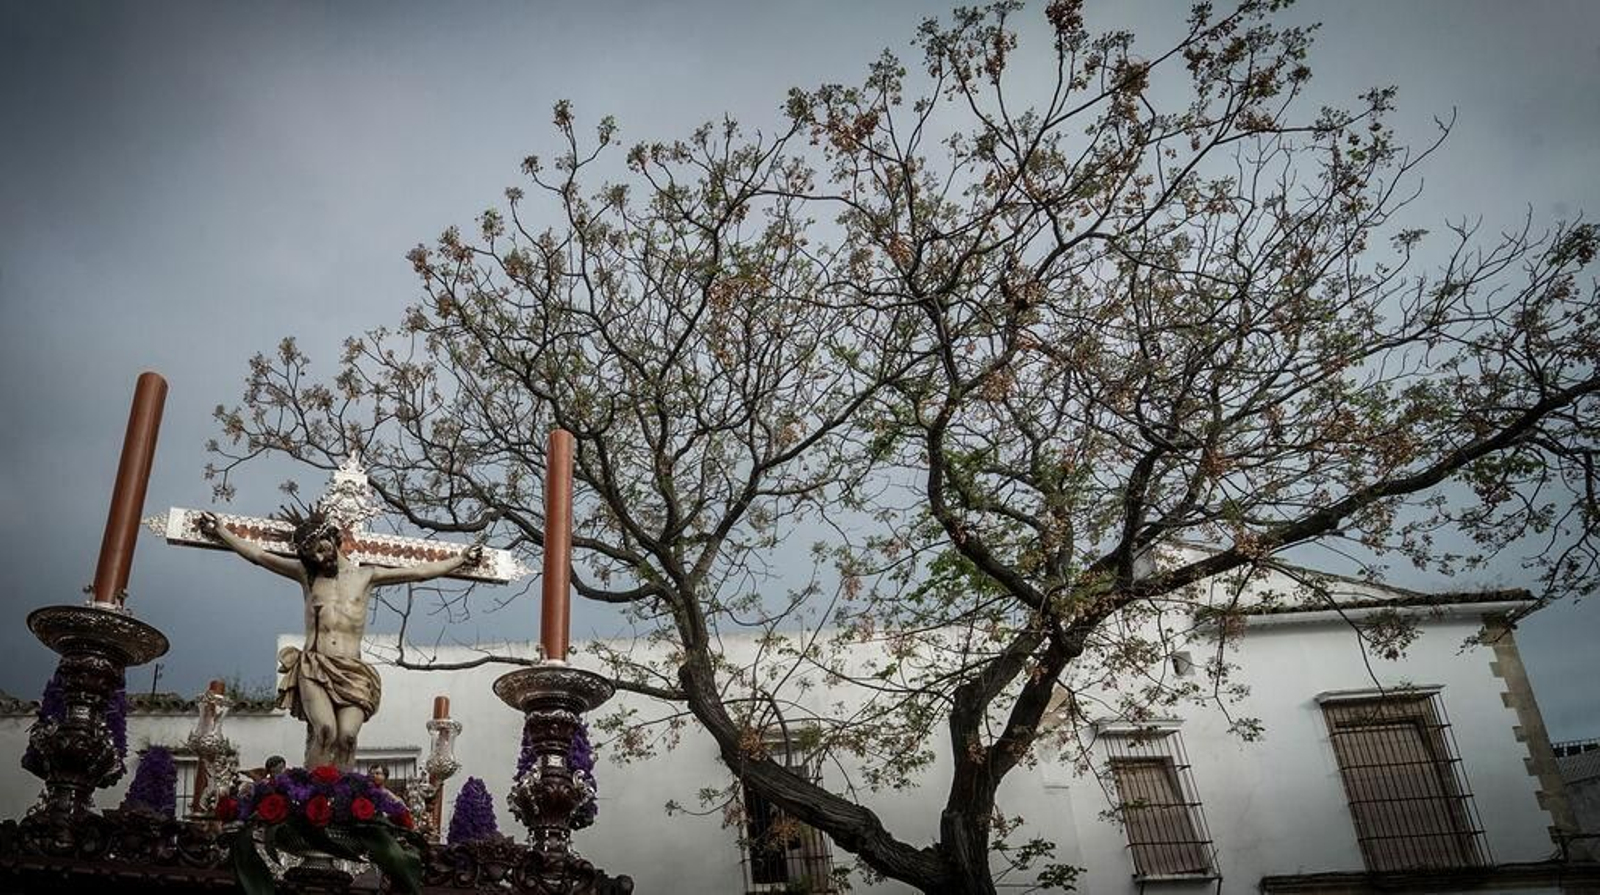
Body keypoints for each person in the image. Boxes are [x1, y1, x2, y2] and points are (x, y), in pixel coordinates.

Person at [198, 508, 481, 768]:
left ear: (333, 538)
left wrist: (460, 559)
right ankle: (313, 796)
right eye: (313, 556)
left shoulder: (366, 576)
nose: (321, 558)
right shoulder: (307, 576)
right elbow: (259, 556)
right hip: (315, 666)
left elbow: (419, 572)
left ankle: (344, 798)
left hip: (353, 671)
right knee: (325, 731)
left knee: (347, 736)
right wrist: (221, 531)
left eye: (322, 549)